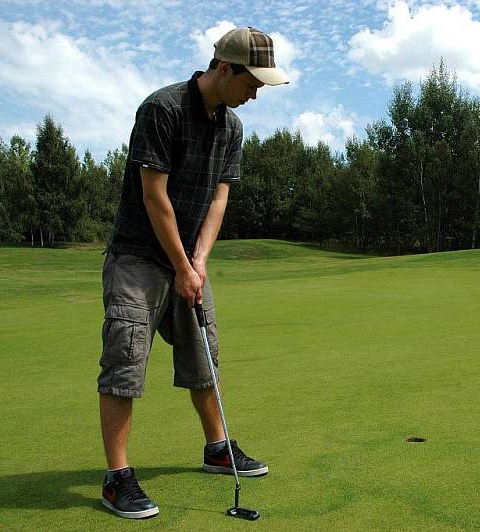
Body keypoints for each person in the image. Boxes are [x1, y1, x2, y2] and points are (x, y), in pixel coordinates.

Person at [97, 27, 289, 519]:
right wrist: (182, 265)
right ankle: (118, 479)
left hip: (188, 262)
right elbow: (153, 196)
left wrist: (198, 263)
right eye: (252, 83)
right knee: (125, 362)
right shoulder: (161, 109)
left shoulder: (232, 129)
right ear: (224, 69)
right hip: (138, 258)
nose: (256, 93)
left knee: (203, 355)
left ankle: (217, 449)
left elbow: (219, 197)